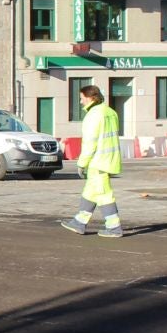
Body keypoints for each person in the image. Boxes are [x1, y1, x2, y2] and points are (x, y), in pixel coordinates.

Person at [60, 85, 124, 238]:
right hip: (110, 159)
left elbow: (90, 142)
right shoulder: (111, 112)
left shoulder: (93, 115)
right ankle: (79, 222)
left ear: (90, 98)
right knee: (91, 191)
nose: (81, 102)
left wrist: (82, 163)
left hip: (98, 161)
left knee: (104, 194)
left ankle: (114, 227)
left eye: (82, 98)